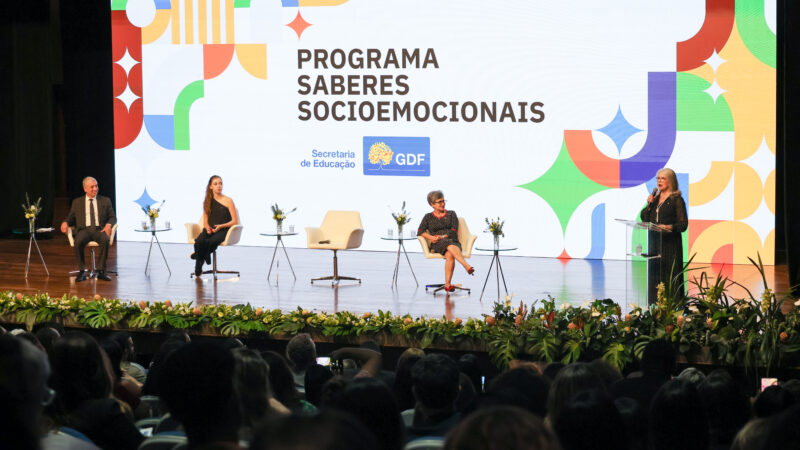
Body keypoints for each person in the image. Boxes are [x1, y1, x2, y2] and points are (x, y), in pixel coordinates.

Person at [640, 168, 688, 302]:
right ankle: (655, 306)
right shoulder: (655, 199)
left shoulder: (676, 200)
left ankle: (672, 307)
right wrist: (649, 204)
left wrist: (668, 227)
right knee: (655, 277)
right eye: (658, 178)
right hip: (655, 244)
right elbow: (645, 218)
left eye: (663, 178)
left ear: (670, 181)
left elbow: (683, 225)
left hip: (670, 246)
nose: (659, 181)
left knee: (669, 277)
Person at [60, 177, 116, 282]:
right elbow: (70, 218)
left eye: (96, 186)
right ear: (85, 189)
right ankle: (82, 271)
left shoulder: (105, 200)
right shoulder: (77, 202)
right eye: (92, 187)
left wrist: (108, 225)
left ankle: (101, 271)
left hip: (99, 229)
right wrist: (65, 222)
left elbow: (113, 217)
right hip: (84, 230)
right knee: (78, 241)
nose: (95, 189)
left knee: (105, 239)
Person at [417, 190, 474, 292]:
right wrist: (432, 238)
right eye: (439, 202)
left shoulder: (452, 213)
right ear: (432, 204)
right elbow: (420, 232)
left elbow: (454, 230)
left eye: (443, 201)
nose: (443, 204)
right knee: (446, 245)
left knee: (450, 254)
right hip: (437, 243)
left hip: (452, 240)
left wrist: (443, 236)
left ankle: (447, 285)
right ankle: (466, 265)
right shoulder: (428, 217)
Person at [191, 175, 239, 277]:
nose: (219, 186)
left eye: (220, 183)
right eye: (215, 184)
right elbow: (205, 220)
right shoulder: (207, 201)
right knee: (199, 241)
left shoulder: (228, 200)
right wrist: (208, 228)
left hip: (223, 229)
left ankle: (198, 262)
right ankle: (205, 256)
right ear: (210, 187)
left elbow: (235, 221)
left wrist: (221, 226)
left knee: (210, 241)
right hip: (210, 229)